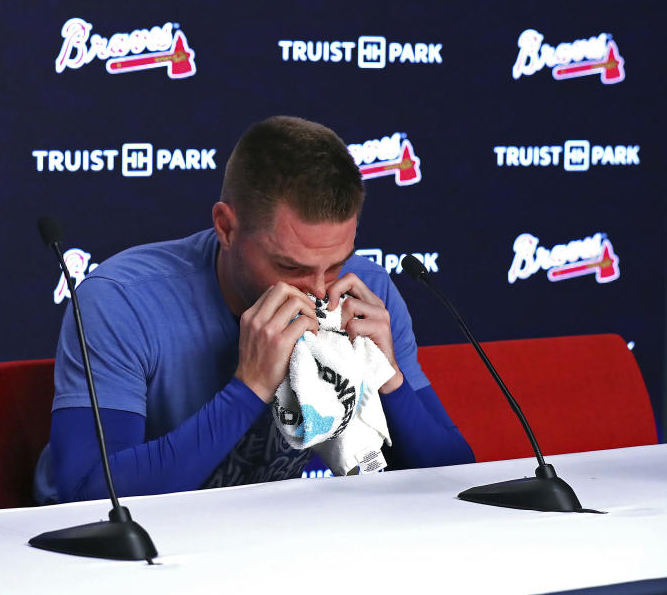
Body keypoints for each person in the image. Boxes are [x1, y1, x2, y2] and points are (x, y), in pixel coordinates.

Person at [33, 116, 474, 504]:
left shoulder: (363, 290)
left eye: (336, 263)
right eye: (290, 267)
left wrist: (389, 378)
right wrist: (249, 388)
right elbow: (87, 495)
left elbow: (456, 475)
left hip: (260, 542)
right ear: (226, 227)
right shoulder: (121, 300)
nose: (320, 291)